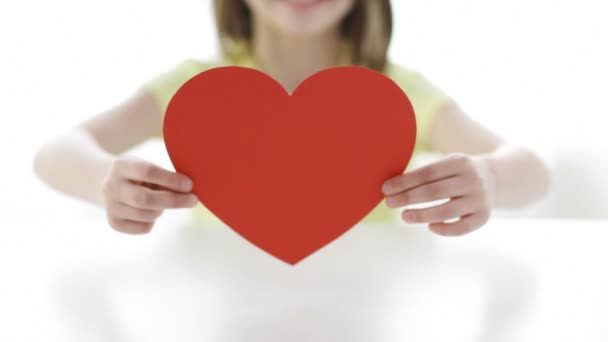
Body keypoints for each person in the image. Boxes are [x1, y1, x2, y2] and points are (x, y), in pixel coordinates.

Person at [34, 0, 550, 237]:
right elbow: (55, 153)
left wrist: (490, 177)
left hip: (361, 307)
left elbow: (534, 174)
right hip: (222, 305)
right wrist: (105, 179)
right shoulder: (193, 90)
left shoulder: (398, 93)